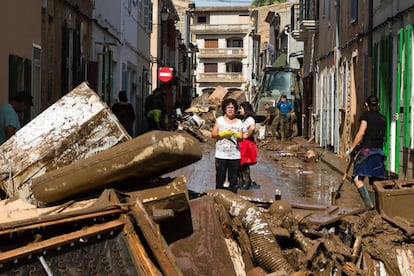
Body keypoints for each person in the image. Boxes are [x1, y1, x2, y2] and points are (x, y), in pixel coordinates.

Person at [346, 95, 386, 210]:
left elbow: (361, 132)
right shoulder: (383, 118)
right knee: (375, 181)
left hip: (366, 151)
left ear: (367, 105)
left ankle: (369, 204)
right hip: (379, 152)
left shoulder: (365, 116)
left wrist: (352, 148)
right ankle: (378, 208)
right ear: (377, 105)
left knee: (357, 179)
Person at [211, 98, 243, 193]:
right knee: (220, 179)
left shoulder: (239, 122)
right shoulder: (219, 120)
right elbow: (213, 134)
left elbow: (241, 137)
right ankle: (218, 201)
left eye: (232, 108)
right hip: (221, 155)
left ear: (235, 109)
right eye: (228, 107)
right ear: (224, 109)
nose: (230, 109)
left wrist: (237, 135)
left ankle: (232, 201)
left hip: (235, 155)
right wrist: (222, 133)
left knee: (233, 181)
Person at [238, 102, 259, 190]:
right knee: (241, 163)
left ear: (245, 109)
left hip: (246, 143)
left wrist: (247, 135)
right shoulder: (244, 119)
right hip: (243, 142)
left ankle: (246, 183)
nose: (239, 110)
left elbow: (252, 128)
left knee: (244, 163)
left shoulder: (250, 119)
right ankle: (242, 182)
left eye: (241, 108)